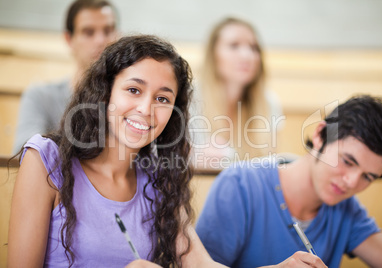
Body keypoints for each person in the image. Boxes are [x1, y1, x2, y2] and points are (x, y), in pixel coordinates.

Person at [8, 35, 226, 268]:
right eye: (133, 90)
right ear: (105, 92)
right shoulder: (45, 160)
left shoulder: (158, 178)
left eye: (162, 98)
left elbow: (202, 265)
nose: (145, 109)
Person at [196, 95, 382, 268]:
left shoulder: (346, 208)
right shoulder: (240, 185)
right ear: (321, 135)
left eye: (368, 177)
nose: (351, 182)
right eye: (347, 161)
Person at [12, 0, 119, 153]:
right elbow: (25, 152)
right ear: (69, 39)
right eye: (88, 32)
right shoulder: (40, 96)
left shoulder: (131, 100)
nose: (101, 40)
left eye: (108, 31)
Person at [191, 17, 283, 168]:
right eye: (234, 46)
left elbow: (267, 164)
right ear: (213, 55)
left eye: (254, 48)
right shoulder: (190, 98)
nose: (247, 56)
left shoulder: (269, 103)